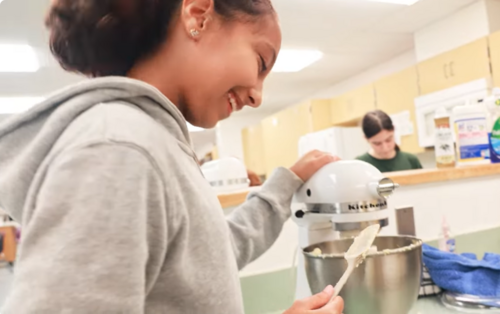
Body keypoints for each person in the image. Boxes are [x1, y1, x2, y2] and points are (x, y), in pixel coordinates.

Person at [0, 0, 344, 313]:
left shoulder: (156, 145)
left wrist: (285, 184)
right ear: (198, 16)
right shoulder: (121, 147)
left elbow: (209, 257)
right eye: (261, 61)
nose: (257, 96)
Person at [356, 110, 422, 173]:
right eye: (377, 143)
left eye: (388, 140)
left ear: (394, 129)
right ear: (366, 138)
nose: (385, 148)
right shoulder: (359, 165)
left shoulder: (411, 161)